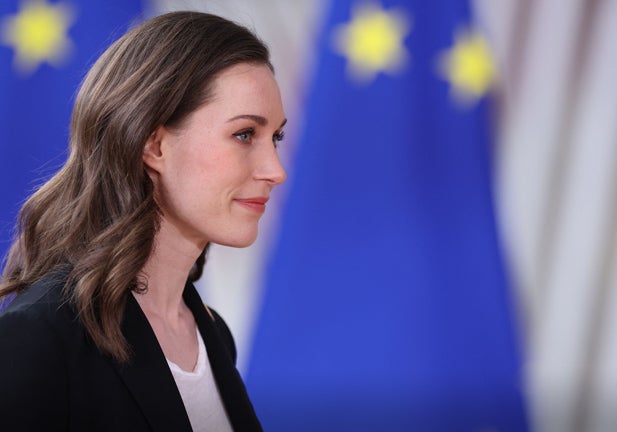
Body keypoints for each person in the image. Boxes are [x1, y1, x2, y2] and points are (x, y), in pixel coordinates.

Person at [0, 11, 286, 432]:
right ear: (154, 145)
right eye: (245, 134)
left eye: (276, 137)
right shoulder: (39, 339)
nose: (276, 170)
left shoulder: (214, 335)